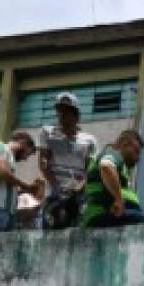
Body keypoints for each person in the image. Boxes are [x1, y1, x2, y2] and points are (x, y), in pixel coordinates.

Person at [38, 92, 98, 230]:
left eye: (66, 111)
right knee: (49, 235)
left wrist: (80, 186)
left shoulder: (89, 140)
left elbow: (92, 169)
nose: (61, 114)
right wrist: (56, 186)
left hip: (78, 197)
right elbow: (43, 163)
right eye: (59, 110)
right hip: (54, 195)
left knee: (75, 234)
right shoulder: (47, 132)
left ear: (76, 115)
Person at [83, 129, 144, 228]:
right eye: (136, 151)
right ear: (124, 144)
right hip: (105, 214)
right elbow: (106, 166)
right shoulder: (114, 153)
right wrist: (119, 200)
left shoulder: (117, 164)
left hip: (108, 216)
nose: (138, 158)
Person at [0, 131, 42, 233]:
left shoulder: (9, 157)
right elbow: (3, 173)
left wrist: (25, 191)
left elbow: (5, 185)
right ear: (23, 142)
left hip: (7, 212)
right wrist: (26, 186)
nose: (25, 159)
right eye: (28, 153)